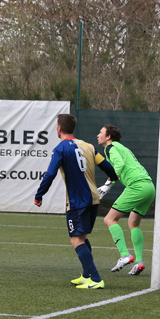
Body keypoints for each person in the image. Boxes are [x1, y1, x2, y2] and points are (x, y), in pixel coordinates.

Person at [34, 113, 118, 289]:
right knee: (82, 237)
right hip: (94, 199)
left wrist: (39, 195)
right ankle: (86, 276)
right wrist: (112, 177)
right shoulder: (88, 146)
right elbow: (107, 166)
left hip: (77, 201)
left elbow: (50, 173)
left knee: (76, 240)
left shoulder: (61, 149)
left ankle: (96, 279)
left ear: (59, 128)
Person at [95, 124, 156, 276]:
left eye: (100, 132)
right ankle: (140, 262)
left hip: (136, 186)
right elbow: (122, 166)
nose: (98, 135)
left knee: (109, 219)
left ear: (108, 137)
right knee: (133, 223)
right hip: (149, 186)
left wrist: (108, 184)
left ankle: (125, 255)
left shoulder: (110, 148)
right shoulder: (121, 147)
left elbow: (120, 165)